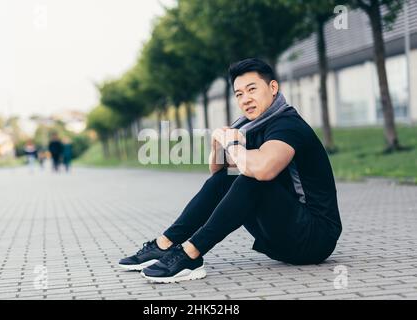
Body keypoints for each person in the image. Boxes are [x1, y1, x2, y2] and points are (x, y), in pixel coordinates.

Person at [119, 58, 342, 283]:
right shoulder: (250, 124)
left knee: (251, 178)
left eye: (252, 89)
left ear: (273, 88)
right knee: (229, 176)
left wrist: (233, 144)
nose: (246, 99)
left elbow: (264, 170)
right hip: (284, 240)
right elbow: (218, 172)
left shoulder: (287, 124)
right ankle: (164, 244)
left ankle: (190, 254)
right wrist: (218, 142)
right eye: (239, 94)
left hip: (315, 238)